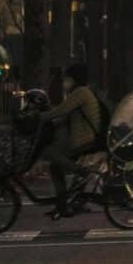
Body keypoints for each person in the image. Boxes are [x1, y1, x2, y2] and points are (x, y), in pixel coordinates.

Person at [39, 63, 101, 218]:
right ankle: (62, 206)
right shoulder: (80, 93)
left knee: (51, 154)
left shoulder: (81, 92)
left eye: (67, 79)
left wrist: (38, 117)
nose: (65, 82)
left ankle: (80, 171)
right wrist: (50, 122)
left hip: (85, 140)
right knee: (55, 167)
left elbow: (61, 110)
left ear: (75, 79)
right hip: (82, 140)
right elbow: (64, 117)